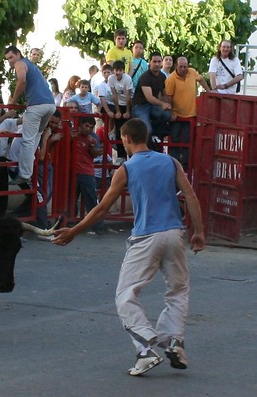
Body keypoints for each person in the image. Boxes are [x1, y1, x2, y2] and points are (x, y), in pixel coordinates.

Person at [53, 118, 205, 376]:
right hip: (174, 233)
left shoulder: (126, 168)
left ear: (125, 139)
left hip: (146, 237)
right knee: (178, 290)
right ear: (145, 136)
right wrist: (199, 232)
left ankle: (145, 348)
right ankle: (174, 342)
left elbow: (101, 208)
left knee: (125, 295)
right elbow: (190, 195)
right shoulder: (170, 162)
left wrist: (75, 231)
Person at [5, 45, 56, 185]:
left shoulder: (20, 63)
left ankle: (25, 174)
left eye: (11, 57)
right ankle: (28, 169)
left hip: (36, 106)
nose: (10, 61)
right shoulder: (31, 65)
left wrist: (13, 101)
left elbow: (21, 81)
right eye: (8, 59)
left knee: (27, 140)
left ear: (18, 54)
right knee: (36, 136)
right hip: (50, 105)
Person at [165, 57, 212, 169]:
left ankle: (186, 166)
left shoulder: (192, 72)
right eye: (181, 66)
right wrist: (170, 113)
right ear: (176, 66)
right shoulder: (171, 79)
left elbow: (201, 79)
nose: (183, 68)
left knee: (188, 141)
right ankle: (173, 165)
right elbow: (168, 98)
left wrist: (209, 91)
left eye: (185, 66)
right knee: (174, 141)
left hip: (191, 115)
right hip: (177, 115)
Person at [73, 116, 107, 234]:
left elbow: (96, 153)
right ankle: (69, 223)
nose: (88, 129)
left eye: (91, 127)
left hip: (86, 172)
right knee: (70, 200)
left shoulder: (93, 137)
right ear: (81, 125)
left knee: (92, 201)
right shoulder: (73, 134)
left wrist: (92, 145)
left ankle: (98, 227)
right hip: (72, 172)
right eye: (86, 126)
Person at [131, 52, 171, 147]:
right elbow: (149, 98)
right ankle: (147, 150)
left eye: (159, 61)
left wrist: (169, 105)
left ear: (161, 63)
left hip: (152, 106)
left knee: (166, 114)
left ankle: (156, 135)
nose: (157, 64)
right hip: (139, 106)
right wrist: (162, 104)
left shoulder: (162, 76)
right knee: (147, 130)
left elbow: (164, 94)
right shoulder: (145, 77)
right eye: (154, 61)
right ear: (150, 62)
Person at [108, 60, 133, 161]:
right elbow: (114, 96)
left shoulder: (127, 79)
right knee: (119, 130)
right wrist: (118, 111)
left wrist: (127, 111)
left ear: (123, 70)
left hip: (129, 103)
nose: (117, 73)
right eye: (115, 70)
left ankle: (131, 155)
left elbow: (128, 97)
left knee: (129, 130)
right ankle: (121, 156)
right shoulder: (111, 78)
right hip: (118, 103)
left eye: (119, 70)